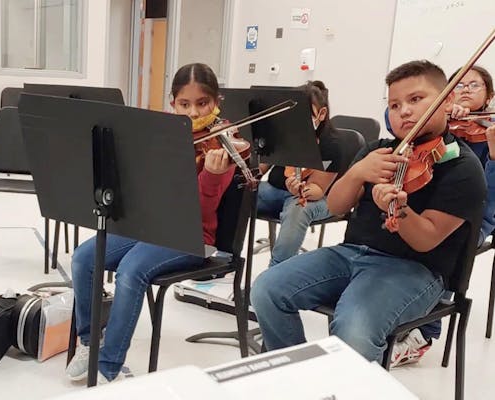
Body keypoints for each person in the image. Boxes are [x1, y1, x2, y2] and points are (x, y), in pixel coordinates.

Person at [250, 60, 485, 363]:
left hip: (414, 270)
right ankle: (302, 376)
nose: (405, 111)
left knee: (352, 330)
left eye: (416, 99)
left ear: (447, 100)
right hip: (350, 253)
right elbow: (335, 206)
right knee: (267, 290)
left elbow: (425, 239)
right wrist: (358, 171)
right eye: (395, 104)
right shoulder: (379, 150)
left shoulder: (462, 167)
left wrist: (399, 209)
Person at [66, 63, 236, 383]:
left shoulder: (222, 143)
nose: (194, 111)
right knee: (84, 258)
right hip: (151, 227)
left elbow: (199, 210)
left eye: (203, 103)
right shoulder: (163, 134)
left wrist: (211, 177)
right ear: (173, 103)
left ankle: (108, 364)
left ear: (216, 103)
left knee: (132, 270)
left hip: (193, 235)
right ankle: (91, 342)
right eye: (184, 104)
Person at [392, 65, 495, 367]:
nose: (465, 90)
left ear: (489, 95)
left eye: (473, 86)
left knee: (443, 244)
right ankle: (396, 310)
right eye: (458, 86)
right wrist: (441, 119)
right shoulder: (440, 123)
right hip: (427, 205)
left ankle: (424, 332)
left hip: (473, 217)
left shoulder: (489, 134)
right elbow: (393, 123)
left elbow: (486, 200)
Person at [256, 80, 345, 267]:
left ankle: (277, 271)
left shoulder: (331, 144)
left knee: (298, 208)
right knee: (238, 192)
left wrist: (300, 189)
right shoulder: (282, 134)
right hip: (275, 190)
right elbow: (259, 170)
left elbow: (318, 190)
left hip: (317, 198)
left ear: (321, 114)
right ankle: (225, 258)